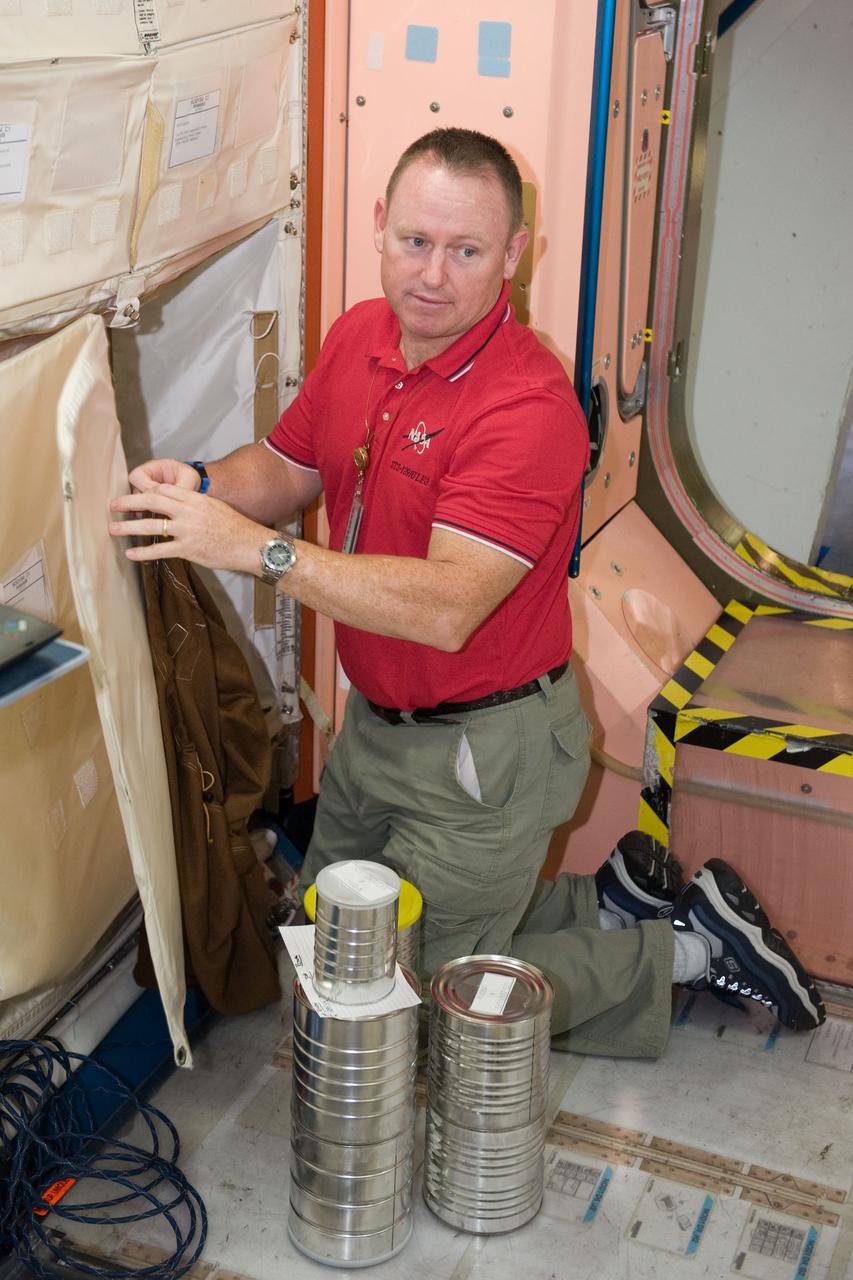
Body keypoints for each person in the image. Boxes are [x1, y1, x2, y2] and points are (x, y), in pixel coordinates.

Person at [109, 128, 824, 1052]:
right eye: (415, 241)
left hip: (486, 749)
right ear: (379, 224)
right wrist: (205, 486)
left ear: (514, 254)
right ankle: (606, 901)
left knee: (418, 1005)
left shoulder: (525, 407)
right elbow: (288, 466)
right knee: (331, 952)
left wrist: (255, 552)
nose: (432, 276)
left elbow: (448, 608)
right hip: (378, 726)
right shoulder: (361, 335)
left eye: (466, 251)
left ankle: (684, 952)